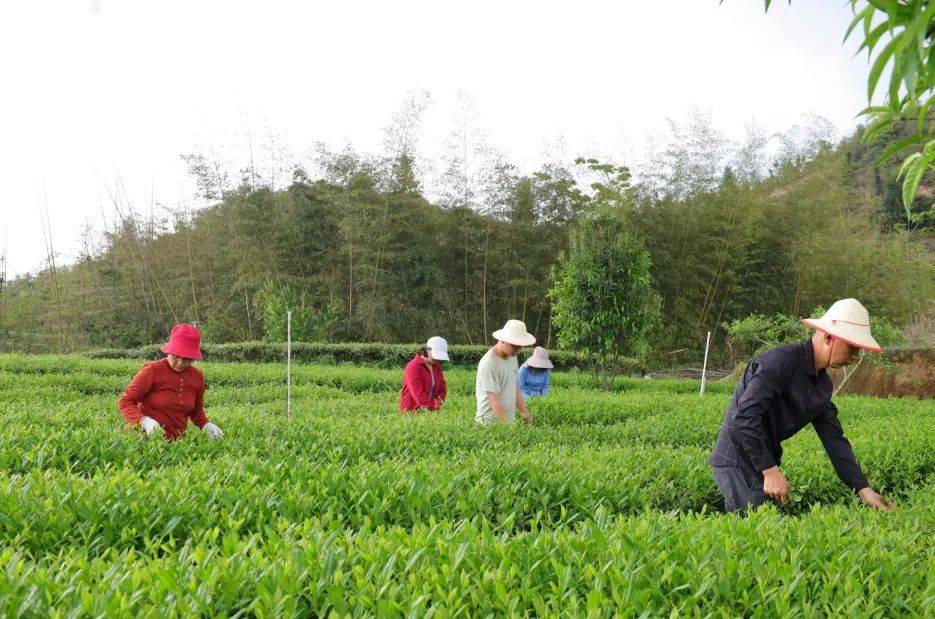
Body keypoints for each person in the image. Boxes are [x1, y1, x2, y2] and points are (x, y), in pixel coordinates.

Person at [709, 299, 892, 513]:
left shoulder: (822, 386)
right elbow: (744, 417)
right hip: (736, 459)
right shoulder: (778, 362)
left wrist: (863, 488)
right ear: (829, 337)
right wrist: (770, 471)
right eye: (852, 348)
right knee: (755, 530)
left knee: (768, 530)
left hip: (763, 458)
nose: (855, 357)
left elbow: (834, 440)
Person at [118, 323, 223, 441]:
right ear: (169, 351)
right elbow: (125, 401)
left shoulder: (197, 377)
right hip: (141, 439)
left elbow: (196, 411)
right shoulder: (152, 371)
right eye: (176, 356)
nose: (180, 363)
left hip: (175, 444)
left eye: (187, 359)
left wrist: (206, 425)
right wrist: (144, 421)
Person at [476, 319, 535, 425]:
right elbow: (494, 400)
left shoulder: (512, 356)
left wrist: (524, 412)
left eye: (520, 346)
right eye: (514, 345)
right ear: (502, 340)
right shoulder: (489, 363)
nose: (518, 349)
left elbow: (514, 386)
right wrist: (506, 428)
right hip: (489, 425)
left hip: (509, 421)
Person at [400, 336, 449, 412]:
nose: (437, 359)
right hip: (411, 413)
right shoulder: (413, 366)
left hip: (431, 412)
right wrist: (432, 406)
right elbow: (418, 393)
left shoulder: (437, 367)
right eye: (436, 355)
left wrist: (438, 401)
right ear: (427, 350)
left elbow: (442, 388)